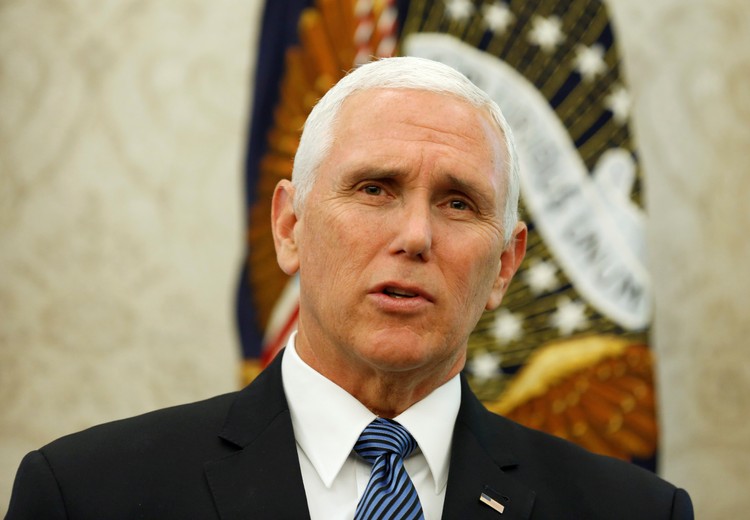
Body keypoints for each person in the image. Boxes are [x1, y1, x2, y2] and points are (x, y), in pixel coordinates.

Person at [6, 57, 693, 519]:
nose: (416, 235)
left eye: (458, 203)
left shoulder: (633, 513)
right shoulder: (87, 496)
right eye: (375, 188)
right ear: (289, 227)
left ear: (506, 266)